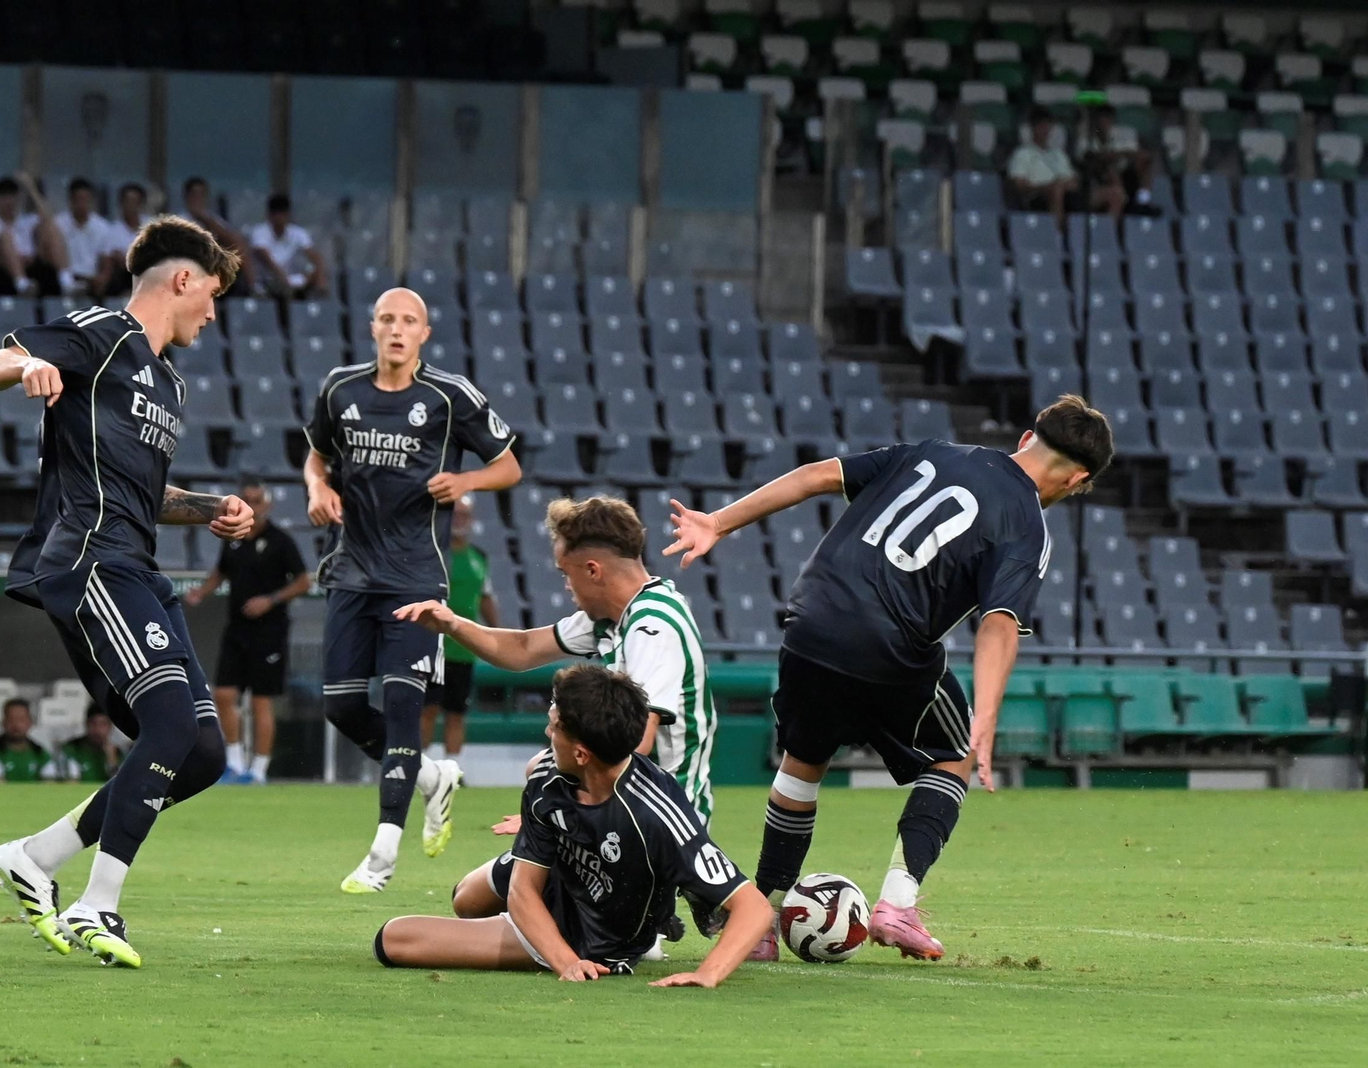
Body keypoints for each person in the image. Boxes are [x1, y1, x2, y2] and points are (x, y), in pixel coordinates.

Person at [663, 395, 1114, 963]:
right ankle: (897, 905)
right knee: (952, 754)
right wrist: (988, 717)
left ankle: (761, 923)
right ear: (1076, 479)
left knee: (803, 762)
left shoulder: (930, 452)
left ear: (1026, 438)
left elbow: (816, 476)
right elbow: (999, 621)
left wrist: (718, 522)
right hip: (888, 643)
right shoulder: (1026, 523)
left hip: (811, 619)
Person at [0, 214, 251, 969]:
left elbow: (146, 490)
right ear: (184, 280)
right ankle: (100, 905)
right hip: (91, 560)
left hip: (139, 566)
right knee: (167, 722)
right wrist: (25, 369)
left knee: (200, 752)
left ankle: (36, 856)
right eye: (214, 295)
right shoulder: (103, 331)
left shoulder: (167, 381)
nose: (214, 313)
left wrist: (210, 509)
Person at [304, 286, 522, 893]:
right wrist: (317, 490)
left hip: (416, 581)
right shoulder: (339, 389)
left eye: (410, 321)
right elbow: (316, 457)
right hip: (349, 572)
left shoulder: (451, 396)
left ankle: (381, 854)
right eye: (387, 319)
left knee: (403, 711)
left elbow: (510, 464)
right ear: (372, 327)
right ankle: (433, 778)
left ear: (424, 334)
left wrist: (468, 479)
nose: (397, 330)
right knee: (342, 707)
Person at [373, 664, 773, 987]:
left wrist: (707, 974)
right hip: (556, 881)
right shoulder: (547, 777)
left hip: (588, 937)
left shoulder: (656, 814)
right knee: (465, 900)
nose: (547, 734)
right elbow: (523, 893)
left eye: (554, 728)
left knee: (393, 939)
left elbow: (753, 908)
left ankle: (622, 931)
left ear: (581, 753)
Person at [398, 495, 718, 822]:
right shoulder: (613, 615)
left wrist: (560, 810)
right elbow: (522, 650)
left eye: (566, 573)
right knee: (540, 768)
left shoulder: (653, 627)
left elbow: (638, 743)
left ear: (592, 570)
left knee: (514, 851)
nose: (566, 586)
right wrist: (452, 624)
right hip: (628, 800)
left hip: (663, 817)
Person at [184, 475, 312, 785]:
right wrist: (201, 592)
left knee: (260, 700)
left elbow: (304, 581)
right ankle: (234, 763)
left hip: (269, 631)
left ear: (267, 504)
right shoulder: (234, 539)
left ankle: (258, 770)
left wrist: (271, 600)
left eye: (257, 500)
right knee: (224, 694)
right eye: (247, 499)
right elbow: (221, 571)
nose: (252, 505)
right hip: (237, 627)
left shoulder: (281, 541)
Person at [418, 495, 498, 760]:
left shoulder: (480, 558)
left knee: (456, 712)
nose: (460, 520)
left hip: (464, 647)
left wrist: (496, 633)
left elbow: (485, 598)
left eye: (465, 515)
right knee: (427, 708)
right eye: (456, 514)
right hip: (432, 645)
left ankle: (453, 768)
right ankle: (421, 765)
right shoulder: (434, 554)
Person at [1007, 107, 1123, 226]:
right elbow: (1019, 184)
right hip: (1040, 195)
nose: (1044, 130)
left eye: (1047, 126)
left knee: (1116, 193)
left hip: (1069, 192)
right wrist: (1049, 186)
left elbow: (1073, 178)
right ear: (1032, 128)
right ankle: (1059, 233)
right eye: (1040, 126)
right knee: (1057, 189)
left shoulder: (1058, 153)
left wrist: (1069, 183)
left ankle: (1106, 233)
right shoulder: (1022, 153)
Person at [0, 174, 65, 296]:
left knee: (49, 229)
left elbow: (50, 221)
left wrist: (31, 189)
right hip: (2, 277)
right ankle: (21, 283)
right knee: (5, 236)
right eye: (4, 196)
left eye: (12, 195)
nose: (9, 201)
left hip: (34, 273)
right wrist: (2, 261)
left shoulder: (27, 221)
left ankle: (65, 279)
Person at [1076, 104, 1157, 215]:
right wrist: (1118, 155)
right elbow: (1090, 157)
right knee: (1110, 169)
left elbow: (1138, 154)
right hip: (1097, 177)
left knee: (1143, 164)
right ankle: (1121, 203)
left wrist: (1117, 155)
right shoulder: (1085, 136)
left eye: (1107, 118)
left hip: (1125, 174)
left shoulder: (1124, 134)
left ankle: (1143, 202)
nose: (1104, 122)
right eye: (1101, 118)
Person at [246, 193, 328, 299]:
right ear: (270, 215)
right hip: (268, 281)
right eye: (276, 214)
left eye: (283, 214)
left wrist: (320, 278)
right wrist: (282, 277)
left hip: (289, 280)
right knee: (283, 288)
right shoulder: (259, 232)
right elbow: (265, 257)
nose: (280, 218)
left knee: (316, 274)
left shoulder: (298, 233)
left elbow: (314, 256)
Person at [178, 177, 252, 291]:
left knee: (239, 247)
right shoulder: (179, 220)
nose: (199, 199)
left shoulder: (212, 219)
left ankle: (254, 288)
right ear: (187, 197)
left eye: (202, 195)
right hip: (189, 268)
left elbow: (233, 241)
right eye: (195, 195)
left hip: (214, 267)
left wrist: (205, 219)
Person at [53, 177, 117, 298]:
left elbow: (106, 258)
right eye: (78, 200)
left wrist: (102, 279)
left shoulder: (102, 226)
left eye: (86, 200)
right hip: (67, 276)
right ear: (71, 200)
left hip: (91, 279)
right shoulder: (58, 223)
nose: (82, 204)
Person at [0, 698, 60, 782]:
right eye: (11, 720)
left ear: (30, 723)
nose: (16, 725)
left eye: (21, 720)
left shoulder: (41, 753)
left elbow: (49, 785)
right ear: (3, 722)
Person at [62, 705, 123, 782]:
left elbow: (120, 785)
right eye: (93, 723)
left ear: (110, 727)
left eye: (103, 724)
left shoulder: (119, 753)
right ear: (86, 724)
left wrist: (112, 760)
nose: (98, 730)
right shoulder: (72, 748)